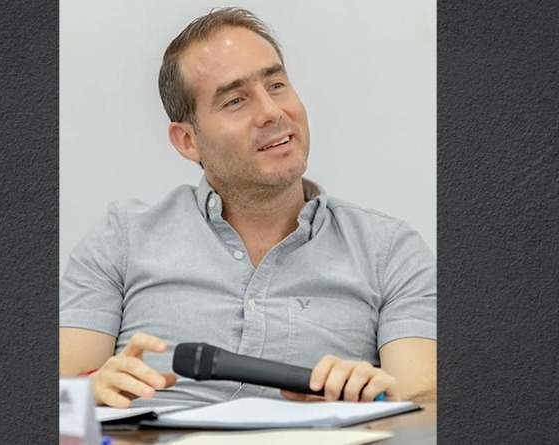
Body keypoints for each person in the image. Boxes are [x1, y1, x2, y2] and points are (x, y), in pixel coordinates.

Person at [59, 7, 436, 409]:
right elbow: (58, 395)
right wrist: (84, 393)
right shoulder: (122, 239)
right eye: (236, 100)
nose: (272, 112)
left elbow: (426, 406)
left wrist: (383, 401)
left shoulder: (388, 250)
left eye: (276, 85)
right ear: (187, 141)